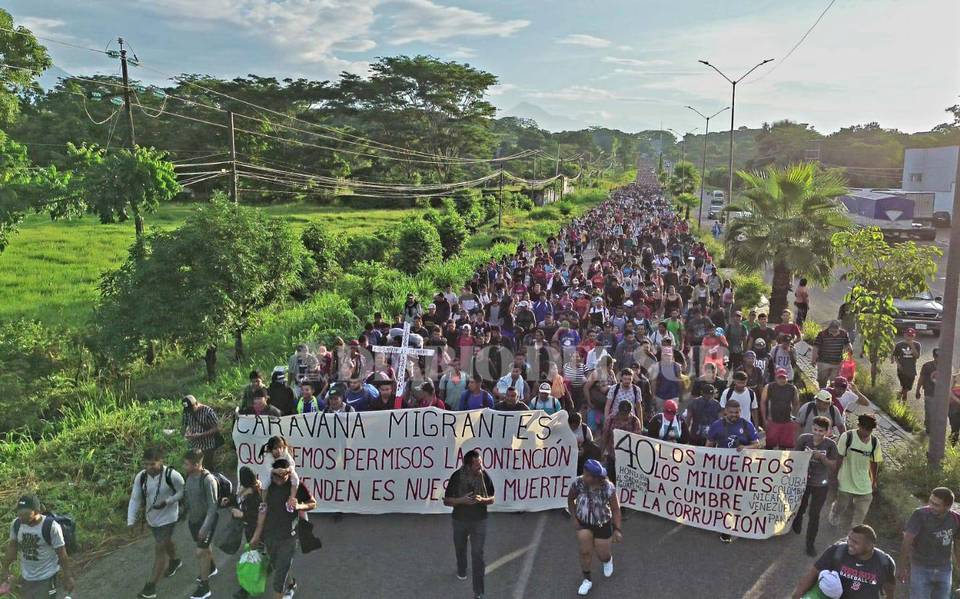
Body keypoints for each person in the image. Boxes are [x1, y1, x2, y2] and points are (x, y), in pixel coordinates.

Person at [249, 458, 317, 599]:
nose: (279, 480)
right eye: (276, 476)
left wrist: (299, 506)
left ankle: (283, 589)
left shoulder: (297, 487)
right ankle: (291, 584)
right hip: (270, 535)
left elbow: (313, 503)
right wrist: (256, 535)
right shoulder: (267, 488)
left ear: (289, 474)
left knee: (278, 578)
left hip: (289, 537)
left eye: (283, 476)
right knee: (278, 566)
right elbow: (263, 510)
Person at [127, 448, 186, 599]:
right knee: (166, 543)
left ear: (161, 461)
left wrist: (168, 501)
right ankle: (175, 561)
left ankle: (150, 588)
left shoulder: (172, 475)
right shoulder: (141, 477)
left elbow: (182, 491)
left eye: (152, 464)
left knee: (159, 548)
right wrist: (130, 521)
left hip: (169, 518)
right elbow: (135, 499)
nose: (148, 468)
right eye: (146, 464)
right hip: (152, 519)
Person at [706, 399, 761, 543]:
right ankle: (725, 527)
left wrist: (746, 448)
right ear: (725, 411)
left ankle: (736, 524)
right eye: (731, 412)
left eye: (736, 412)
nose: (734, 415)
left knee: (737, 497)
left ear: (740, 412)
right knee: (724, 498)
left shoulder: (746, 425)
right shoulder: (716, 426)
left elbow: (757, 444)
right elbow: (709, 446)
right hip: (722, 468)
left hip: (741, 468)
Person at [443, 449, 495, 599]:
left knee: (478, 555)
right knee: (460, 547)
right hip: (460, 520)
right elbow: (447, 501)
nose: (480, 467)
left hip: (480, 520)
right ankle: (462, 568)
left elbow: (492, 499)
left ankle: (479, 592)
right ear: (467, 465)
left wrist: (482, 500)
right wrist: (461, 501)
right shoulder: (457, 477)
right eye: (477, 464)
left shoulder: (484, 476)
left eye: (481, 463)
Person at [1, 495, 75, 599]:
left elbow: (62, 554)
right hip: (27, 578)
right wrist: (5, 569)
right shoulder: (16, 524)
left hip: (48, 576)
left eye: (25, 514)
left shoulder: (51, 527)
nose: (21, 517)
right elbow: (12, 548)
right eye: (19, 513)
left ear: (37, 511)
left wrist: (68, 576)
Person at [792, 525, 895, 599]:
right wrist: (797, 595)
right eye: (849, 538)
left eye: (855, 542)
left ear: (869, 545)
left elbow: (889, 590)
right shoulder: (836, 551)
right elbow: (812, 575)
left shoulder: (885, 563)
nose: (849, 543)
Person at [567, 459, 622, 596]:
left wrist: (617, 529)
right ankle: (587, 580)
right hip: (583, 524)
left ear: (596, 478)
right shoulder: (578, 483)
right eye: (584, 473)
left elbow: (615, 509)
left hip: (602, 524)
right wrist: (573, 517)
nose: (584, 476)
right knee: (585, 552)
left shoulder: (608, 487)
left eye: (587, 475)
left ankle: (607, 560)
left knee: (602, 554)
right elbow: (570, 499)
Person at [898, 487, 960, 599]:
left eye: (936, 505)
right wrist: (902, 568)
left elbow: (958, 545)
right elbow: (906, 541)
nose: (931, 506)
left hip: (944, 569)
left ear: (947, 506)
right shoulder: (919, 515)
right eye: (930, 501)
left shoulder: (956, 519)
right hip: (920, 568)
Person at [792, 416, 839, 557]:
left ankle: (810, 544)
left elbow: (834, 465)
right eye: (815, 429)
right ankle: (798, 519)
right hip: (804, 481)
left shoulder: (830, 445)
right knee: (801, 506)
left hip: (821, 484)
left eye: (821, 431)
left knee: (814, 514)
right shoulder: (804, 439)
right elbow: (793, 457)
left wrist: (822, 458)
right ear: (812, 427)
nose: (818, 433)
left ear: (827, 431)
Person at [829, 414, 882, 529]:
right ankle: (835, 511)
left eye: (870, 430)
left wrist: (874, 481)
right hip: (846, 478)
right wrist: (834, 476)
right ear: (859, 426)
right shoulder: (847, 437)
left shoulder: (874, 442)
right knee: (841, 505)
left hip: (864, 482)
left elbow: (874, 462)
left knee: (861, 512)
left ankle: (854, 531)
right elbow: (839, 457)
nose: (867, 432)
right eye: (865, 428)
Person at [182, 449, 220, 599]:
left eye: (186, 464)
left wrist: (205, 527)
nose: (184, 466)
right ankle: (211, 568)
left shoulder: (208, 480)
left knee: (201, 552)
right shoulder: (189, 476)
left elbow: (213, 507)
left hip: (206, 522)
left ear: (197, 464)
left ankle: (205, 588)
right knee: (205, 549)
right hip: (194, 521)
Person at [225, 467, 262, 599]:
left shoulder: (255, 497)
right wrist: (229, 500)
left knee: (251, 561)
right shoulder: (247, 490)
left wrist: (242, 515)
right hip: (250, 532)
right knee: (256, 558)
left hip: (256, 534)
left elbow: (258, 517)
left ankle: (245, 589)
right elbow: (237, 498)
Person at [760, 368, 799, 450]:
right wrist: (764, 419)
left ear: (787, 378)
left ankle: (781, 462)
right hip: (773, 420)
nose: (782, 380)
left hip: (787, 420)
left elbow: (796, 403)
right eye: (779, 378)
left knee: (784, 446)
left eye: (783, 378)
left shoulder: (792, 388)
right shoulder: (769, 387)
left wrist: (795, 418)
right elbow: (763, 402)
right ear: (775, 377)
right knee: (769, 445)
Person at [182, 395, 222, 473]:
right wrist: (187, 433)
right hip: (194, 446)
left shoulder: (208, 412)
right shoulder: (186, 412)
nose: (190, 412)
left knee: (206, 469)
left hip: (207, 446)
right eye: (188, 410)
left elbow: (216, 428)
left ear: (196, 404)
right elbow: (184, 425)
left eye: (192, 409)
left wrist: (201, 435)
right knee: (193, 469)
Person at [812, 320, 854, 388]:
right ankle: (822, 392)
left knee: (834, 382)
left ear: (839, 329)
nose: (834, 334)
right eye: (832, 331)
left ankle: (830, 393)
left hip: (837, 362)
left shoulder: (843, 333)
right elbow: (816, 347)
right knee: (822, 380)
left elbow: (847, 343)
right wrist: (813, 359)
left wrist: (850, 347)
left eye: (835, 331)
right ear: (829, 328)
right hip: (823, 361)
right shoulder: (822, 334)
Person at [891, 328, 922, 403]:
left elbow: (917, 356)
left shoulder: (917, 345)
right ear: (904, 335)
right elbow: (895, 355)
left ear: (914, 336)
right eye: (908, 335)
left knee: (909, 387)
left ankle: (900, 393)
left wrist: (912, 345)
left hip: (911, 369)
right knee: (904, 386)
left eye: (911, 336)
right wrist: (898, 364)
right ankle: (904, 401)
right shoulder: (899, 345)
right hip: (902, 369)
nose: (909, 337)